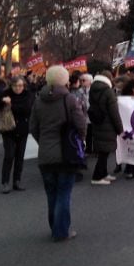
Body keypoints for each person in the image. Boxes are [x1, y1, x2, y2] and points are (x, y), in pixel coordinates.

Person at [29, 65, 87, 241]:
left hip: (45, 154)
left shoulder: (38, 100)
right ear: (65, 80)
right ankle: (61, 230)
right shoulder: (69, 99)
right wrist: (79, 140)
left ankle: (55, 226)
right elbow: (80, 123)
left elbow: (33, 127)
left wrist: (43, 141)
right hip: (65, 153)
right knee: (64, 193)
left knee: (51, 193)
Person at [0, 76, 35, 193]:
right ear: (11, 86)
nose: (18, 88)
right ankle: (5, 182)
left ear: (24, 86)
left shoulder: (28, 95)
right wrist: (2, 101)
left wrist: (10, 105)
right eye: (15, 86)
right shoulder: (5, 94)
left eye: (20, 86)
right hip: (8, 129)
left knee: (20, 156)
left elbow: (26, 109)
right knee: (9, 155)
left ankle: (17, 180)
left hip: (22, 129)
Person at [88, 70, 124, 185]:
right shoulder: (108, 92)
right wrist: (120, 129)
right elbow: (114, 112)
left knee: (104, 151)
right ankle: (97, 177)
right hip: (107, 124)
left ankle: (103, 173)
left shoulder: (92, 90)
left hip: (98, 123)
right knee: (105, 152)